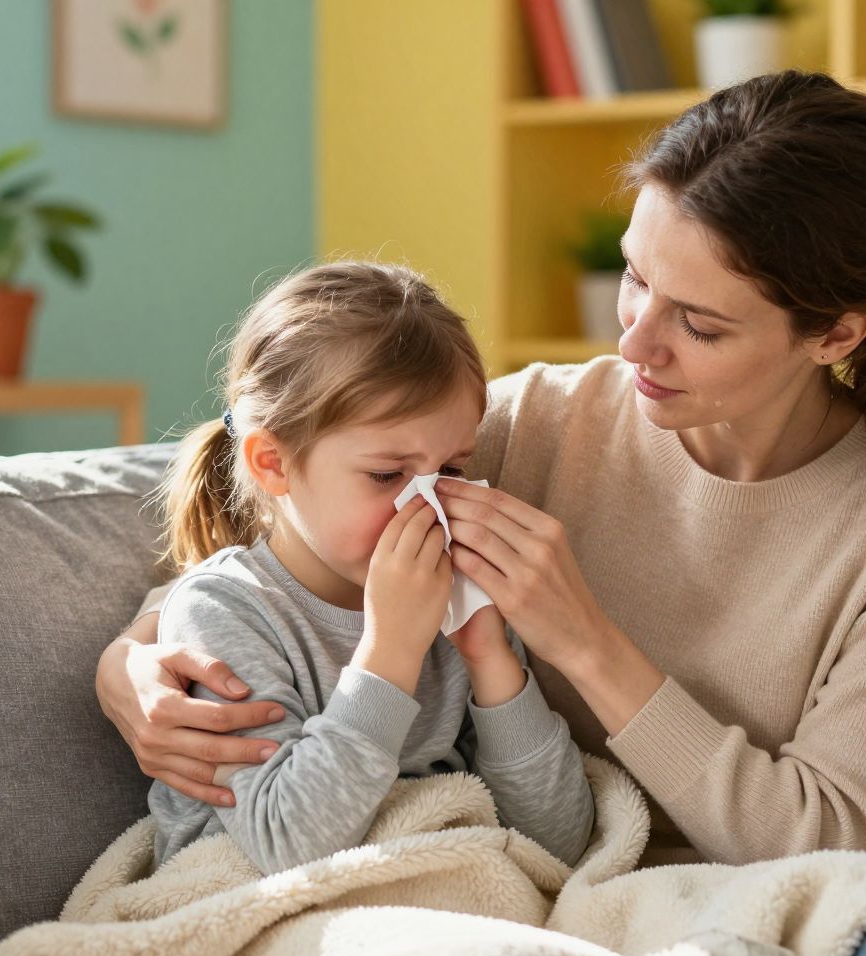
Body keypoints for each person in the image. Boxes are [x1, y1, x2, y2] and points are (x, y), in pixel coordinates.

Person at [98, 71, 866, 956]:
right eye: (637, 279)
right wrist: (132, 666)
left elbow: (824, 835)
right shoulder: (531, 422)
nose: (637, 344)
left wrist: (585, 641)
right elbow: (279, 546)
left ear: (835, 335)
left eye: (700, 323)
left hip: (796, 882)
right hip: (575, 880)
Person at [144, 260, 593, 875]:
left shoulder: (457, 605)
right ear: (272, 464)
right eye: (388, 475)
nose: (428, 505)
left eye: (452, 471)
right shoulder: (222, 612)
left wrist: (490, 658)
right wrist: (391, 651)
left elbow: (558, 841)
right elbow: (289, 844)